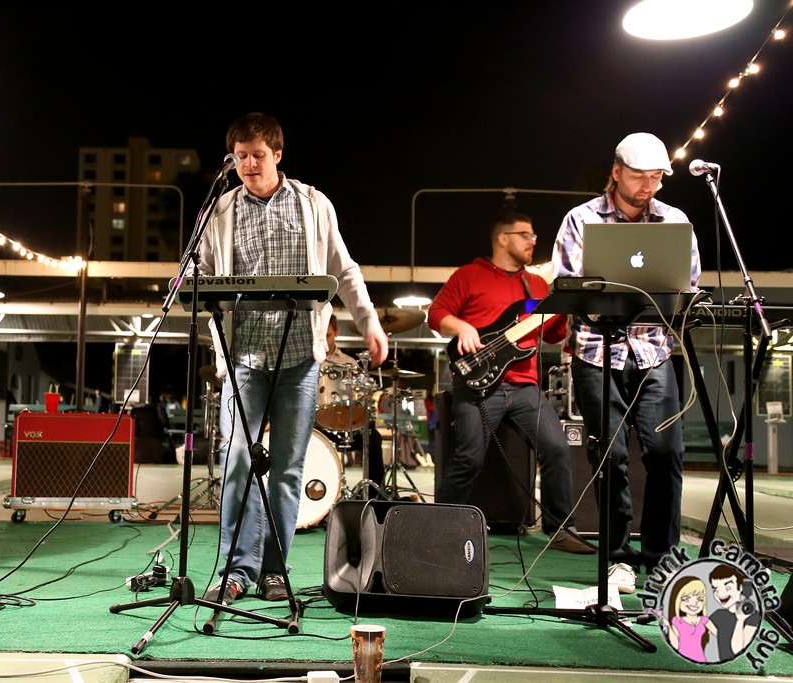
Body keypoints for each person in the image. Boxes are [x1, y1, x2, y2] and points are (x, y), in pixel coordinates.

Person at [198, 112, 388, 605]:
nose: (248, 165)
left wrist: (368, 321)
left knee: (287, 467)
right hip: (244, 358)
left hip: (300, 358)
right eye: (240, 157)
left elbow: (344, 269)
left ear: (278, 154)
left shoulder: (312, 204)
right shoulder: (220, 212)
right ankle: (235, 569)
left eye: (258, 155)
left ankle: (274, 568)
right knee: (237, 459)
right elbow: (206, 282)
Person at [551, 132, 702, 592]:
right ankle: (619, 557)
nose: (648, 186)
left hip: (654, 350)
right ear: (616, 171)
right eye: (639, 176)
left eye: (656, 177)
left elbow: (686, 281)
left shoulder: (675, 220)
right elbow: (567, 283)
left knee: (666, 453)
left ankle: (661, 556)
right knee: (610, 455)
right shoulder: (581, 219)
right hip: (598, 351)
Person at [427, 211, 593, 555]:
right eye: (525, 235)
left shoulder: (537, 286)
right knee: (469, 457)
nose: (533, 241)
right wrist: (462, 327)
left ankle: (561, 528)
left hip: (524, 386)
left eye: (534, 236)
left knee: (558, 448)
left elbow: (552, 333)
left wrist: (567, 308)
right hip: (477, 383)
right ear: (503, 238)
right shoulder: (469, 275)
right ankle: (436, 524)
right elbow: (436, 314)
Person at [317, 314, 384, 494]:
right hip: (318, 426)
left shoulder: (349, 363)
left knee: (373, 438)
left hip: (348, 424)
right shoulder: (310, 361)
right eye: (321, 335)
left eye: (328, 335)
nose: (324, 340)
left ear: (337, 332)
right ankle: (319, 495)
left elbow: (361, 397)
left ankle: (373, 495)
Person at [708, 564, 760, 661]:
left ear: (740, 587)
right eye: (716, 589)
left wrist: (740, 620)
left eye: (727, 587)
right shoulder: (718, 614)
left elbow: (737, 649)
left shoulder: (752, 616)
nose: (720, 593)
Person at [660, 575, 715, 662]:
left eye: (700, 599)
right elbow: (675, 645)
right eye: (686, 599)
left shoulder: (704, 620)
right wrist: (668, 625)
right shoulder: (676, 621)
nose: (694, 603)